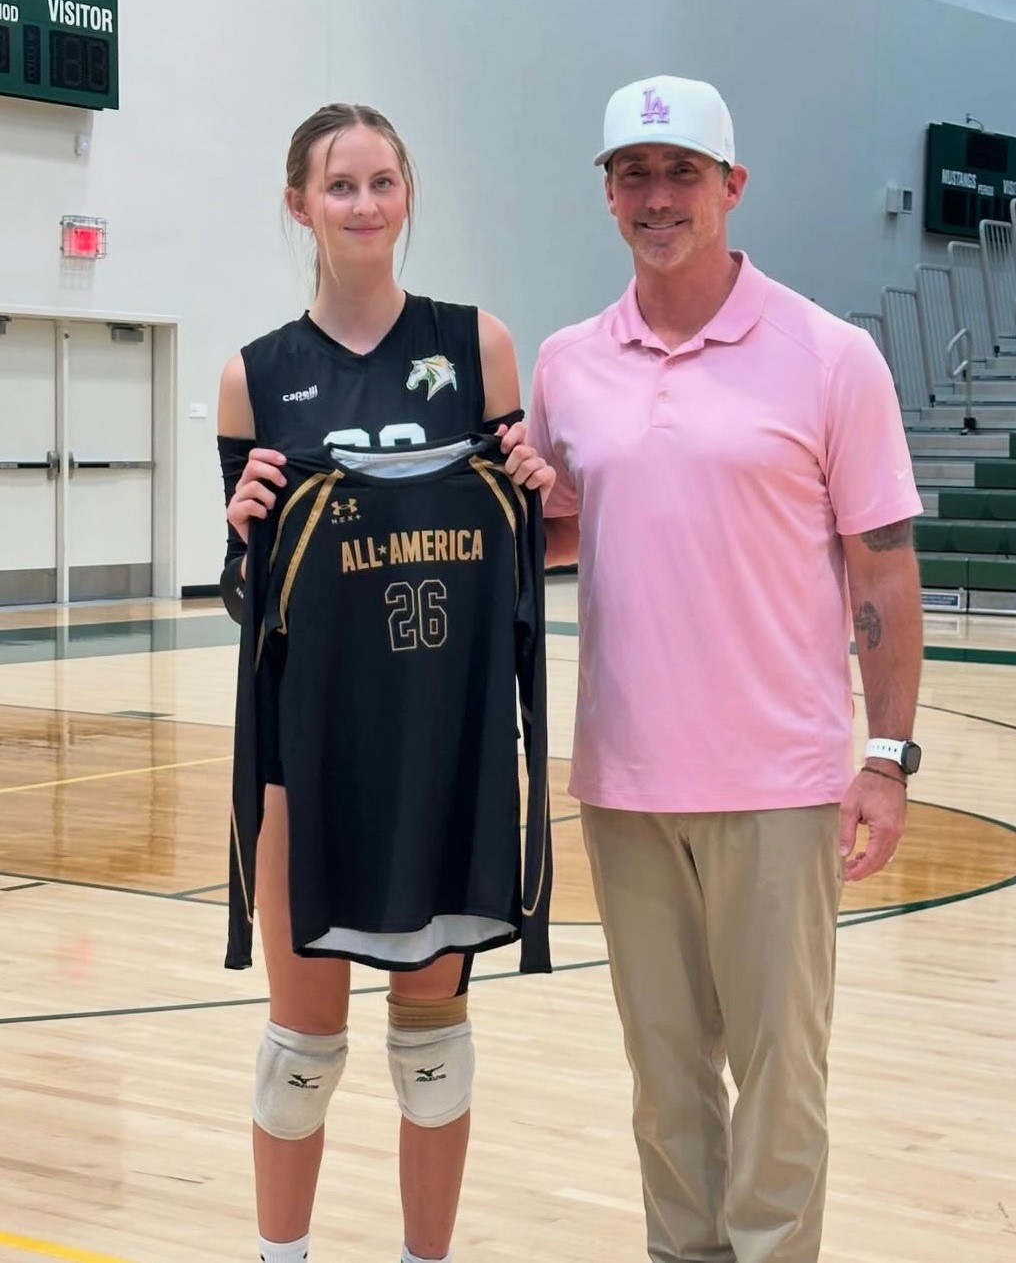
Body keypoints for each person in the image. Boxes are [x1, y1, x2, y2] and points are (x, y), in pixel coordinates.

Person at [520, 75, 925, 1262]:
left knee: (779, 1093)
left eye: (680, 174)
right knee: (664, 1087)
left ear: (730, 187)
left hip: (778, 784)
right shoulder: (565, 363)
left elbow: (882, 571)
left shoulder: (829, 355)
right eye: (633, 176)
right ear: (605, 196)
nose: (657, 198)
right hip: (624, 784)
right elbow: (566, 529)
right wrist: (530, 507)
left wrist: (888, 758)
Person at [216, 102, 554, 1263]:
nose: (363, 204)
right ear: (299, 202)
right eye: (339, 184)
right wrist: (240, 531)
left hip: (442, 739)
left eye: (381, 181)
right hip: (306, 750)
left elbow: (531, 544)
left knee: (432, 1042)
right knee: (299, 1052)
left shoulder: (477, 347)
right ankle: (282, 1255)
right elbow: (242, 591)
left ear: (407, 194)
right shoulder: (254, 375)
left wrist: (538, 491)